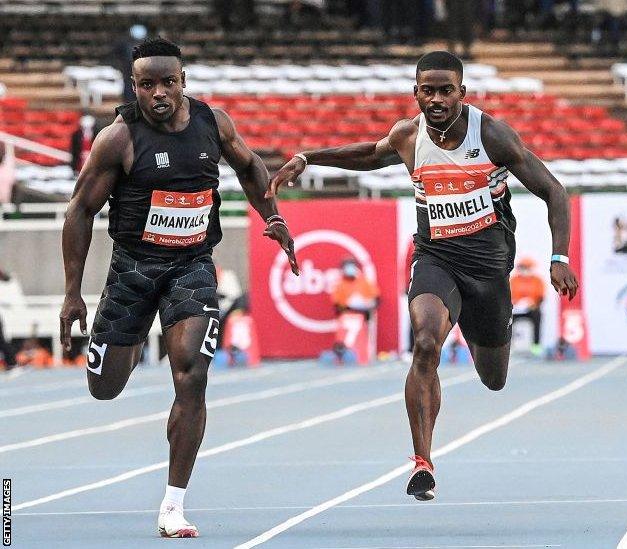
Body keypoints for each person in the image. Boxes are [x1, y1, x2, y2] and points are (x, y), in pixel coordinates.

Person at [269, 50, 579, 500]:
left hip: (489, 270)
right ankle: (422, 461)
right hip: (436, 257)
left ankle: (480, 331)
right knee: (426, 341)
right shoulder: (408, 136)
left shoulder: (491, 135)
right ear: (415, 93)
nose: (436, 99)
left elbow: (554, 190)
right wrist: (308, 157)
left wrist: (560, 256)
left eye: (445, 91)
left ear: (462, 93)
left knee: (494, 378)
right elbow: (369, 155)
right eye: (427, 90)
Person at [59, 37, 298, 538]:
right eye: (148, 85)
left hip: (192, 264)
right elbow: (79, 210)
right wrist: (72, 292)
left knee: (191, 375)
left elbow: (252, 166)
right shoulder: (119, 139)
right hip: (134, 268)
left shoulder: (213, 123)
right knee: (105, 389)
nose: (159, 93)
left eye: (169, 82)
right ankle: (106, 352)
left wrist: (271, 215)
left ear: (183, 81)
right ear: (135, 87)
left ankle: (172, 506)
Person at [510, 256, 546, 355]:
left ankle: (536, 345)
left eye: (527, 267)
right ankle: (509, 345)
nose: (525, 270)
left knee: (538, 314)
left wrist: (534, 304)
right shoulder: (513, 280)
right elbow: (508, 295)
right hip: (516, 309)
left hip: (531, 309)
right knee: (506, 318)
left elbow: (541, 296)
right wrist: (516, 303)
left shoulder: (537, 280)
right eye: (523, 267)